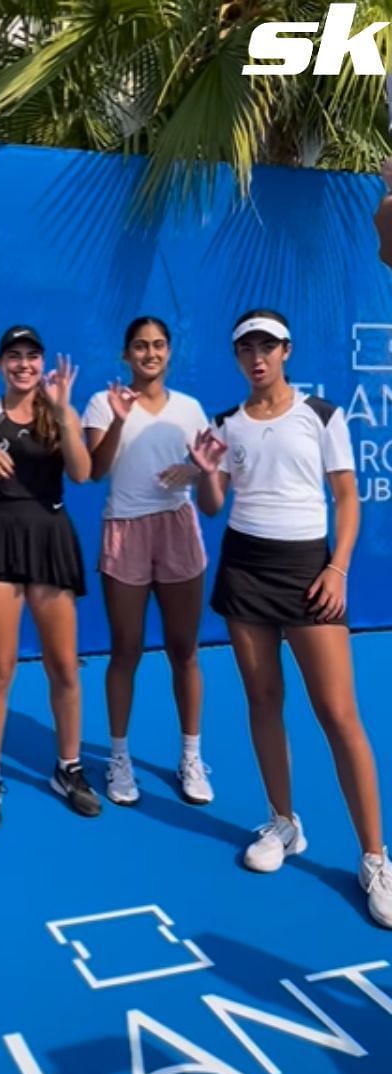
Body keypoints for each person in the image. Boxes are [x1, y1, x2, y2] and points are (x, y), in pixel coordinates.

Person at [187, 309, 392, 927]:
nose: (258, 357)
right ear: (238, 357)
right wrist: (204, 474)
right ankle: (283, 822)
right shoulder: (225, 424)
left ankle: (376, 857)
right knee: (263, 700)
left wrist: (337, 569)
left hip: (310, 571)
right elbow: (215, 504)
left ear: (286, 351)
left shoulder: (322, 415)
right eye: (247, 347)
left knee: (337, 713)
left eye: (268, 347)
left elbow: (347, 496)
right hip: (245, 567)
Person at [0, 326, 100, 831]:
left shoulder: (61, 412)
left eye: (32, 357)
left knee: (63, 666)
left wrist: (62, 413)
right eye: (13, 356)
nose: (23, 365)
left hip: (49, 538)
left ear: (42, 365)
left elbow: (81, 474)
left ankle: (69, 768)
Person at [81, 316, 213, 807]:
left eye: (158, 345)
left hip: (178, 528)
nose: (150, 353)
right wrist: (118, 418)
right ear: (126, 354)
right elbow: (94, 470)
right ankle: (119, 758)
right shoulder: (103, 402)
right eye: (140, 346)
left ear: (169, 352)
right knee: (126, 649)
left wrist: (195, 473)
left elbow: (208, 468)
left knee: (184, 650)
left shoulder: (190, 409)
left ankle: (191, 756)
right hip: (125, 532)